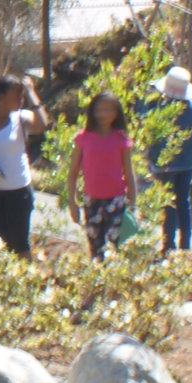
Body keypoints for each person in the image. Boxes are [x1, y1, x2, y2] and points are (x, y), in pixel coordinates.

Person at [0, 75, 48, 255]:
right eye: (17, 96)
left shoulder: (21, 117)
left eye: (22, 96)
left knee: (19, 244)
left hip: (17, 190)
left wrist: (30, 91)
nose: (21, 100)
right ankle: (1, 281)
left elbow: (42, 124)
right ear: (0, 97)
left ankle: (27, 281)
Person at [65, 90, 138, 259]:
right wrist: (72, 202)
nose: (102, 114)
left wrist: (133, 204)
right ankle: (98, 283)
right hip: (92, 201)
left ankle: (114, 283)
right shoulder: (83, 138)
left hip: (116, 200)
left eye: (107, 110)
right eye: (98, 109)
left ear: (116, 112)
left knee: (115, 248)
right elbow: (73, 172)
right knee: (95, 249)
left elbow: (129, 172)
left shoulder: (120, 139)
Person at [139, 66, 192, 253]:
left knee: (168, 204)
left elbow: (146, 124)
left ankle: (168, 244)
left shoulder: (159, 105)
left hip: (164, 164)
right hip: (187, 161)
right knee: (184, 202)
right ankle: (186, 244)